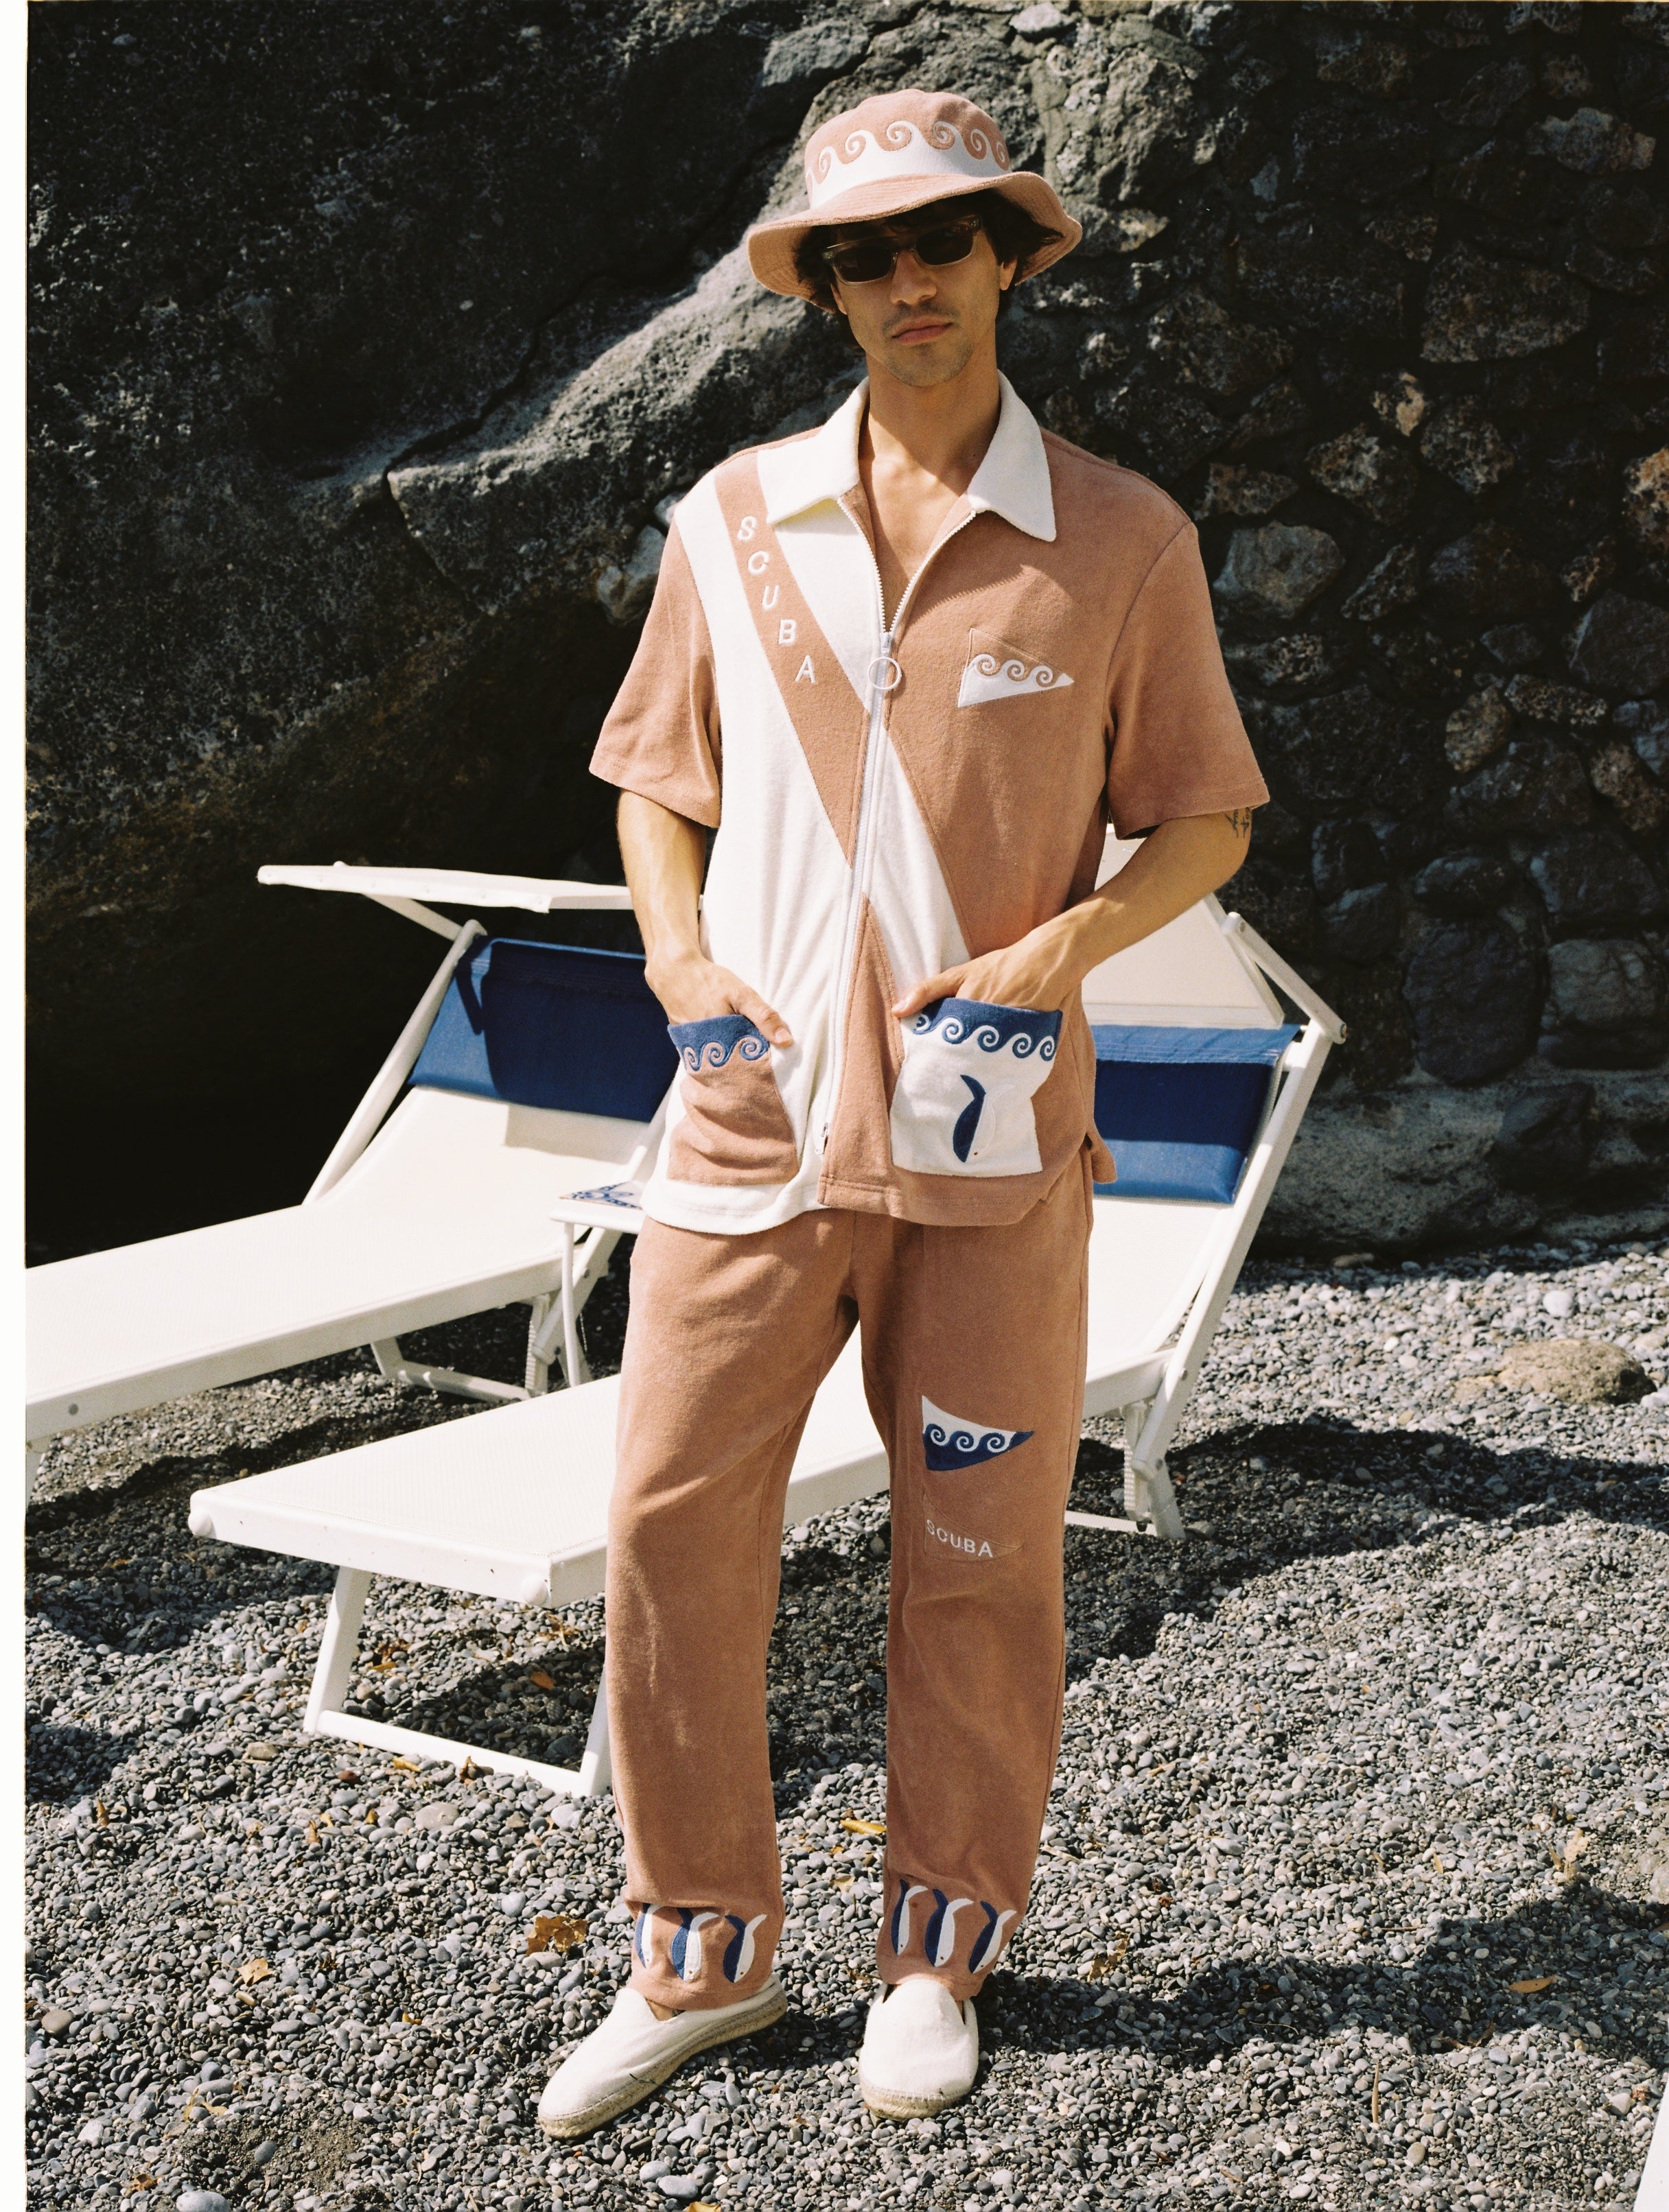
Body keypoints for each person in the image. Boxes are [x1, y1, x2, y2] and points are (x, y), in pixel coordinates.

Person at [537, 86, 1268, 2139]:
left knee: (979, 1547)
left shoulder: (1120, 536)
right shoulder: (732, 517)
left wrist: (1060, 956)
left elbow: (1205, 819)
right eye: (860, 255)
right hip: (750, 1131)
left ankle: (934, 1952)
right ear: (825, 288)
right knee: (673, 1528)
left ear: (1009, 257)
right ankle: (701, 1948)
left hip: (989, 1139)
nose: (905, 282)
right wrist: (682, 971)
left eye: (941, 241)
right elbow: (652, 784)